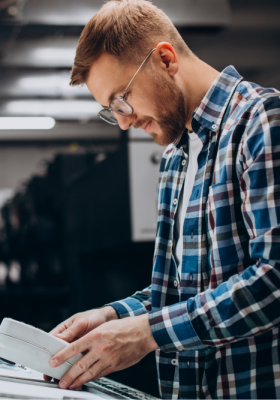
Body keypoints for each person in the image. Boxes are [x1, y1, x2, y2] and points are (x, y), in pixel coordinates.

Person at [44, 1, 280, 399]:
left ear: (165, 59)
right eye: (110, 110)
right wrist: (115, 315)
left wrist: (147, 333)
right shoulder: (174, 159)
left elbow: (273, 277)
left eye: (122, 98)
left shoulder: (262, 122)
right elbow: (183, 292)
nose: (123, 120)